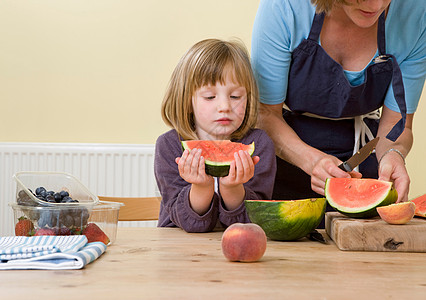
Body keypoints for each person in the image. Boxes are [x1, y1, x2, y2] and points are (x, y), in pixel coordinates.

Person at [251, 0, 426, 208]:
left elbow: (398, 124)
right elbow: (265, 114)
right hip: (285, 163)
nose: (377, 5)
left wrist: (393, 154)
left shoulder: (417, 12)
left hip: (363, 163)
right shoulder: (285, 6)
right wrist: (311, 161)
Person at [155, 39, 277, 233]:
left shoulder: (259, 144)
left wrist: (232, 188)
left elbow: (254, 221)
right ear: (187, 101)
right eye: (210, 97)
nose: (225, 107)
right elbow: (188, 224)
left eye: (235, 96)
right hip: (179, 251)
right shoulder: (169, 146)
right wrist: (201, 188)